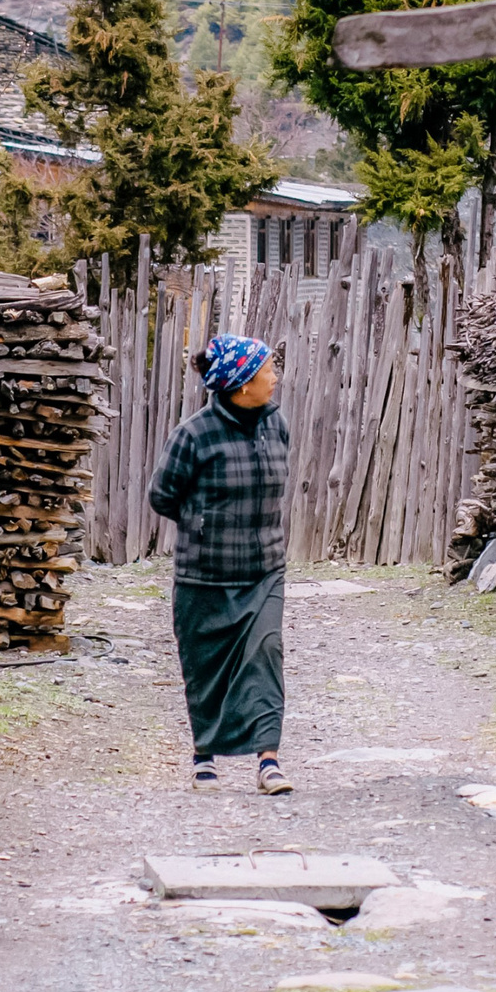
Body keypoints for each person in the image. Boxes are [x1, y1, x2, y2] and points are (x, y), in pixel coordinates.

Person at [147, 334, 293, 794]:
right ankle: (204, 759)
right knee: (205, 668)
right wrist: (205, 525)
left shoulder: (277, 425)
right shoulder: (194, 434)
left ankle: (268, 761)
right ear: (242, 383)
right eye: (268, 369)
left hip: (264, 568)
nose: (275, 376)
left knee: (265, 655)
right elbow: (162, 495)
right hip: (205, 575)